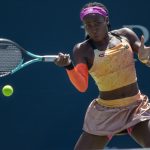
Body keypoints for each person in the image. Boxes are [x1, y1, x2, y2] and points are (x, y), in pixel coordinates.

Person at [54, 2, 150, 149]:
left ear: (106, 20)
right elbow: (82, 86)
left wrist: (146, 58)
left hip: (136, 108)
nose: (93, 28)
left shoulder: (125, 35)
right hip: (106, 113)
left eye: (97, 23)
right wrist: (69, 66)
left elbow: (145, 55)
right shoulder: (82, 50)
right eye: (88, 25)